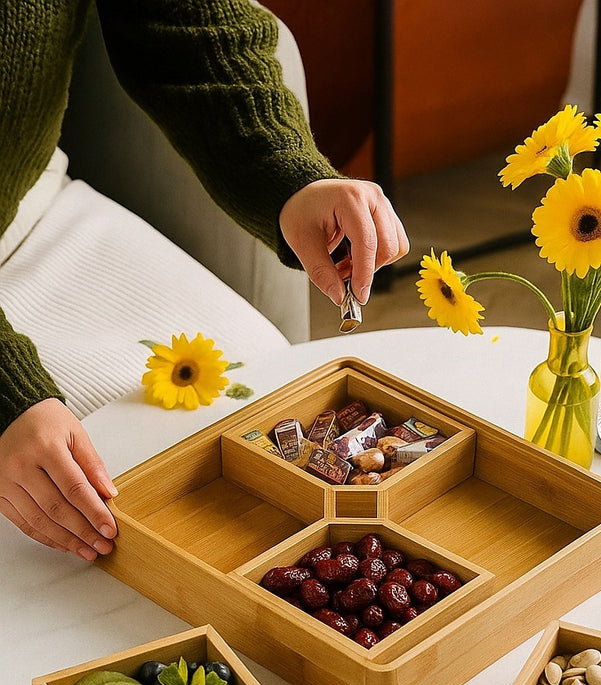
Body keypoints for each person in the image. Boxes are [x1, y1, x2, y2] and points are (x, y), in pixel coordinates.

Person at [0, 0, 409, 563]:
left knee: (256, 391)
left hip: (29, 207)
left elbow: (189, 21)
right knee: (69, 512)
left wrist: (293, 176)